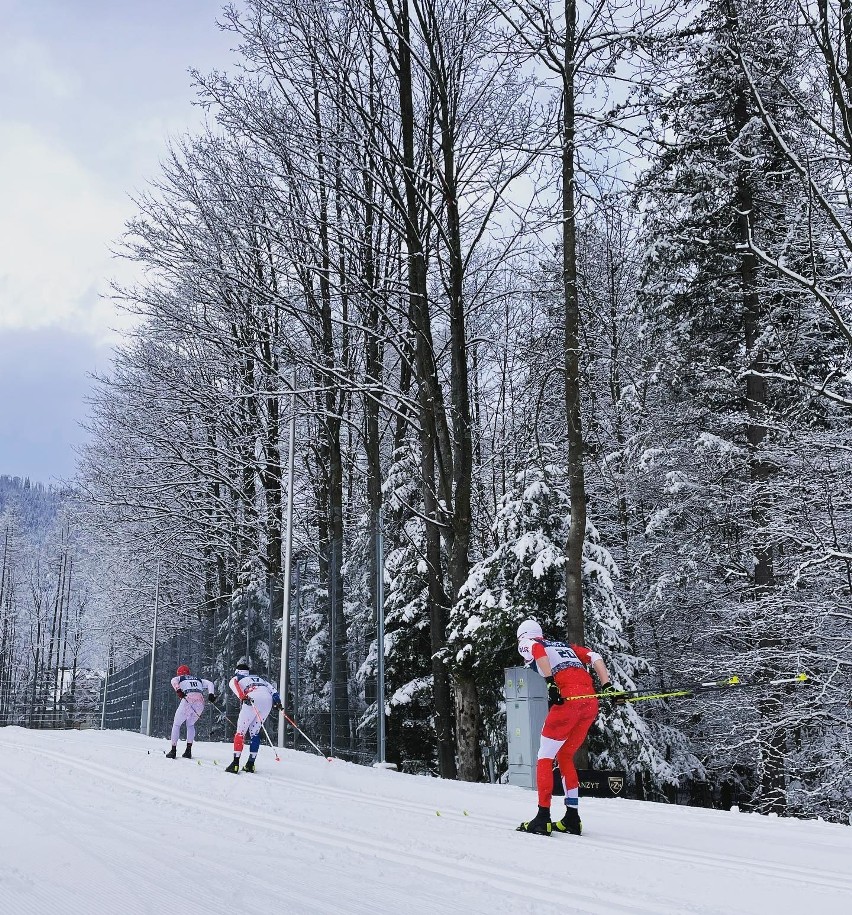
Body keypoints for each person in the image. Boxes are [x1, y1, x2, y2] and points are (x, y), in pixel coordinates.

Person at [515, 618, 625, 836]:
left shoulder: (528, 642)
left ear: (522, 636)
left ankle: (543, 817)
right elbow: (594, 656)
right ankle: (572, 818)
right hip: (589, 702)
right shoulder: (564, 646)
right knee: (565, 756)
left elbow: (536, 649)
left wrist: (550, 683)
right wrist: (607, 686)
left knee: (545, 757)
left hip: (567, 701)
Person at [224, 657, 282, 774]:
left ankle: (235, 764)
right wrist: (278, 702)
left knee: (240, 732)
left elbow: (234, 685)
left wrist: (243, 697)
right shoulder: (260, 679)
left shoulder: (237, 677)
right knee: (255, 732)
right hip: (267, 701)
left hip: (252, 699)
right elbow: (273, 691)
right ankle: (250, 764)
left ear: (237, 671)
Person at [165, 664, 217, 760]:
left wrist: (178, 690)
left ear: (179, 673)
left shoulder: (180, 678)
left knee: (176, 724)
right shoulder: (198, 679)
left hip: (188, 700)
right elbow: (210, 683)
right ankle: (188, 751)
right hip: (200, 702)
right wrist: (211, 694)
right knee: (190, 724)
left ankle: (173, 750)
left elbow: (173, 681)